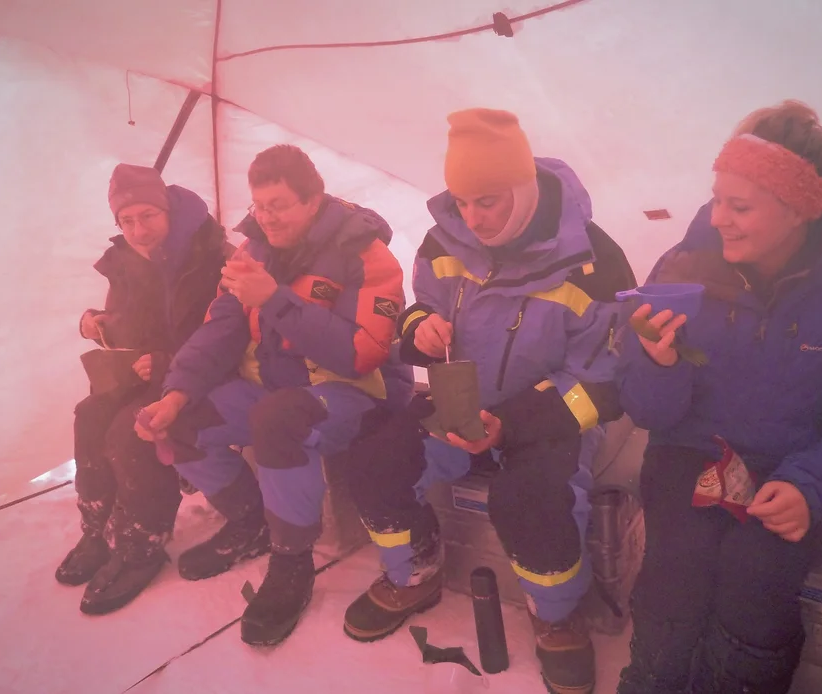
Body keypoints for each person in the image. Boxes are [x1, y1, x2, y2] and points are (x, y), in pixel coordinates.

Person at [341, 108, 635, 694]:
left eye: (488, 201)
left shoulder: (594, 260)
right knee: (376, 454)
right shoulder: (442, 237)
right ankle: (415, 572)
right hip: (462, 404)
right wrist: (420, 328)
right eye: (462, 200)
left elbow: (603, 381)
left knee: (531, 495)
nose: (472, 218)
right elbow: (417, 306)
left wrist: (510, 424)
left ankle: (555, 616)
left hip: (553, 413)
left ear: (523, 190)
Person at [615, 101, 822, 694]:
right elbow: (649, 414)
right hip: (691, 452)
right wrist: (658, 362)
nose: (718, 217)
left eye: (740, 205)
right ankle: (654, 679)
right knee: (676, 566)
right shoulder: (684, 269)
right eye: (717, 197)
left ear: (800, 209)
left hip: (797, 468)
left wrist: (812, 487)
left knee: (757, 574)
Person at [134, 144, 413, 646]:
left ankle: (292, 562)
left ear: (314, 200)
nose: (266, 218)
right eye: (259, 206)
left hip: (355, 393)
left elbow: (363, 353)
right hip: (280, 387)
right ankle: (249, 521)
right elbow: (220, 328)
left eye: (278, 205)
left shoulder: (365, 254)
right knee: (186, 421)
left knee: (280, 420)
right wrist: (174, 393)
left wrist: (275, 301)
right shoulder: (254, 250)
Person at [58, 163, 229, 615]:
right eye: (127, 220)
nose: (138, 229)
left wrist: (169, 363)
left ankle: (141, 545)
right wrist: (98, 324)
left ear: (168, 210)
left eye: (148, 216)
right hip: (147, 371)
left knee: (128, 431)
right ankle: (97, 529)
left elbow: (226, 334)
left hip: (202, 377)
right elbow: (137, 323)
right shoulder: (128, 261)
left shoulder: (208, 255)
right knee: (90, 415)